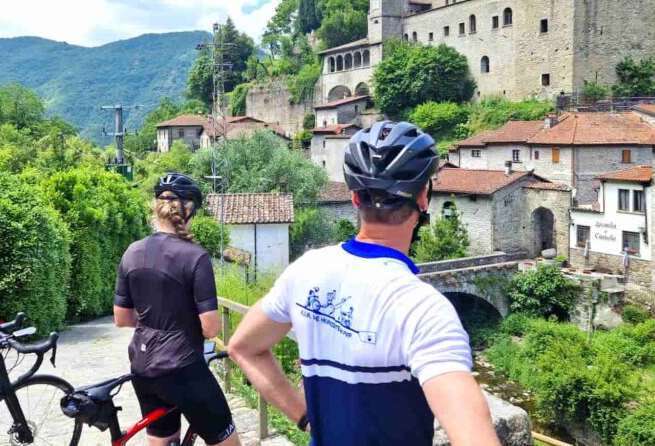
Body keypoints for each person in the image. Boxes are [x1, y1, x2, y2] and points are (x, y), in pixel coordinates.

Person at [228, 121, 501, 446]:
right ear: (424, 198)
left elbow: (242, 347)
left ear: (355, 198)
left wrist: (306, 418)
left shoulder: (305, 270)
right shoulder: (423, 309)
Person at [113, 173, 241, 446]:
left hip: (142, 368)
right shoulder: (196, 256)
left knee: (163, 440)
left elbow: (122, 318)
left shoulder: (131, 252)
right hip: (183, 369)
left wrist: (155, 323)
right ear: (190, 210)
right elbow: (211, 327)